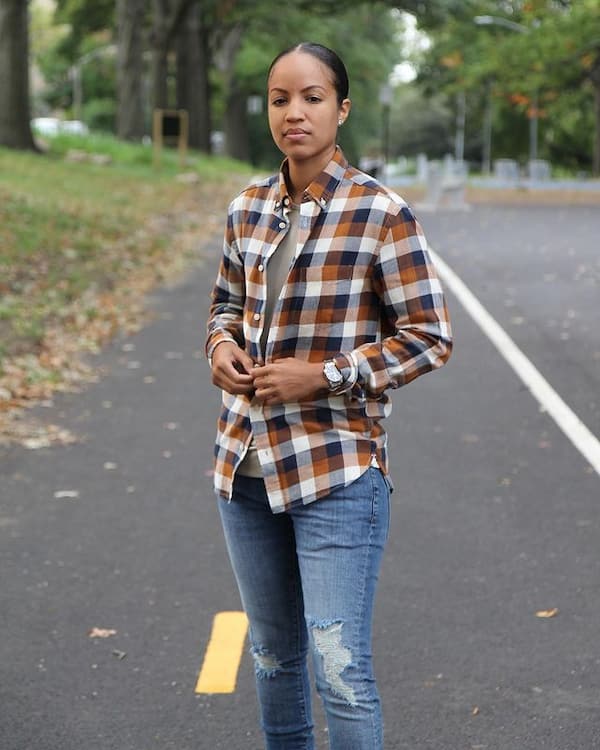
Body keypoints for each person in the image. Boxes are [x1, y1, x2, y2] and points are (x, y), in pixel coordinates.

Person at [206, 42, 452, 750]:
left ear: (341, 109)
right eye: (280, 99)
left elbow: (428, 336)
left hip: (337, 471)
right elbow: (224, 303)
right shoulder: (247, 207)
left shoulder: (381, 213)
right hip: (245, 468)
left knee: (340, 672)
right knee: (274, 661)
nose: (295, 113)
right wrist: (221, 347)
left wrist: (327, 374)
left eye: (312, 97)